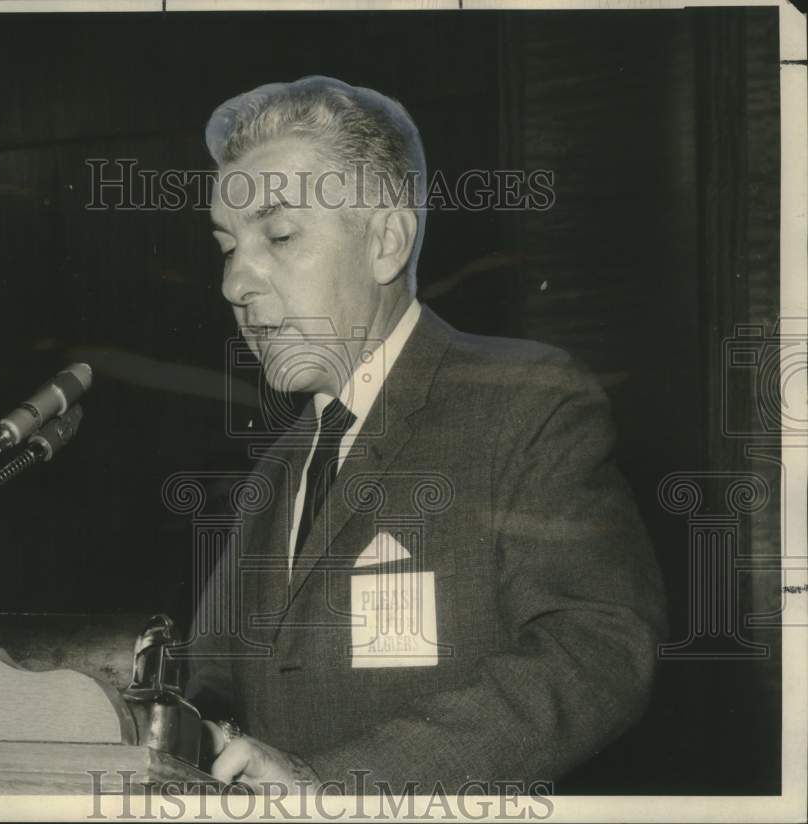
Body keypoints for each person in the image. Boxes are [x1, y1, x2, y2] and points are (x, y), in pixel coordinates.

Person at [183, 75, 667, 795]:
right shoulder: (276, 472)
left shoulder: (524, 403)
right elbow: (214, 680)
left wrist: (340, 791)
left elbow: (597, 646)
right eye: (228, 246)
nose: (234, 283)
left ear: (386, 242)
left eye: (279, 235)